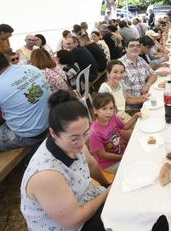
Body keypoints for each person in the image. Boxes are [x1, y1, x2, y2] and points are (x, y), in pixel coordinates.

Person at [20, 89, 110, 230]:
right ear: (53, 133)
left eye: (86, 133)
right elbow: (74, 220)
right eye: (74, 138)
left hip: (86, 200)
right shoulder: (46, 176)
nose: (82, 143)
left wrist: (107, 184)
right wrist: (107, 194)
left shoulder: (71, 143)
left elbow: (91, 165)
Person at [89, 93, 141, 174]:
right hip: (110, 164)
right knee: (135, 168)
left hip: (121, 154)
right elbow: (103, 155)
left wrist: (135, 116)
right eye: (104, 108)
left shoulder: (114, 118)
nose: (109, 112)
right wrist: (122, 157)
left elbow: (125, 127)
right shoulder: (94, 133)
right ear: (95, 110)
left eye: (111, 108)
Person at [118, 39, 156, 112]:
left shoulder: (141, 60)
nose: (135, 48)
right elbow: (121, 95)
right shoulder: (119, 65)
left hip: (144, 101)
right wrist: (140, 100)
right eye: (131, 46)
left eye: (137, 46)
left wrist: (147, 85)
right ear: (126, 49)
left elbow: (153, 75)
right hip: (131, 108)